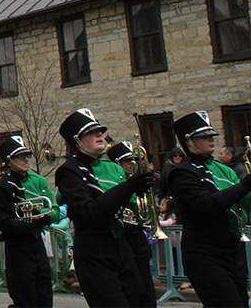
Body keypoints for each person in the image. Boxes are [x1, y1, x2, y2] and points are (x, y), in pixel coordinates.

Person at [54, 108, 153, 307]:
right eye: (91, 132)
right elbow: (90, 211)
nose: (100, 134)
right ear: (77, 141)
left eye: (100, 130)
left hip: (123, 248)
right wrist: (129, 186)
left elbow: (133, 206)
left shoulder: (114, 167)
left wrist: (144, 190)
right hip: (94, 252)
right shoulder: (68, 171)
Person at [166, 110, 251, 307]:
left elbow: (244, 202)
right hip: (204, 253)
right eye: (204, 137)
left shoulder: (224, 169)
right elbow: (207, 205)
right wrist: (245, 184)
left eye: (212, 135)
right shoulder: (181, 172)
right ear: (188, 142)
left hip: (232, 249)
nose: (211, 140)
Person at [0, 136, 63, 308]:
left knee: (45, 295)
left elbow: (55, 210)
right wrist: (37, 219)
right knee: (25, 298)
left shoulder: (38, 180)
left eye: (27, 155)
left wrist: (43, 215)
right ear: (9, 161)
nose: (25, 159)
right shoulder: (3, 186)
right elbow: (4, 223)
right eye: (19, 156)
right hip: (18, 248)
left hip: (37, 243)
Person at [105, 141, 157, 307]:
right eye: (128, 161)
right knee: (131, 287)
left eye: (135, 160)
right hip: (122, 236)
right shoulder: (113, 182)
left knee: (146, 286)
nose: (133, 164)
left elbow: (145, 211)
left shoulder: (140, 181)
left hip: (137, 235)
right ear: (117, 164)